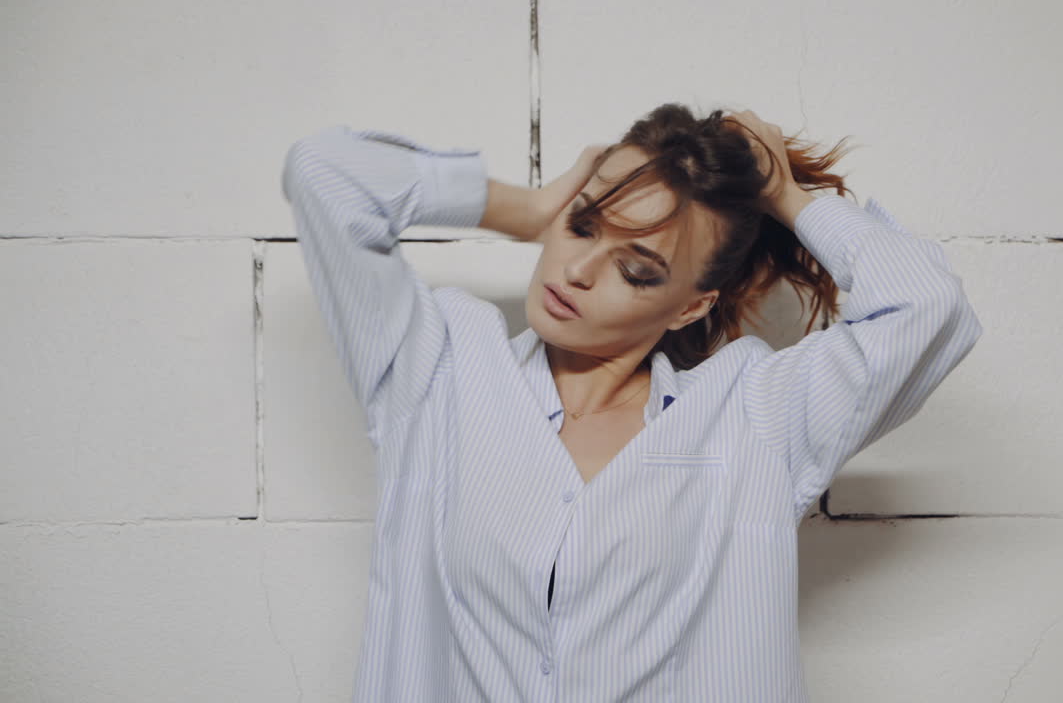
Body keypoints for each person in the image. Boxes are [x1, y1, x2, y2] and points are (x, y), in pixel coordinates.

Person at [280, 103, 982, 701]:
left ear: (691, 306)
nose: (577, 271)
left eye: (636, 270)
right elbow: (324, 174)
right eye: (582, 225)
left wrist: (789, 198)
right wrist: (520, 207)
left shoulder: (755, 418)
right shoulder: (437, 368)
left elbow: (927, 306)